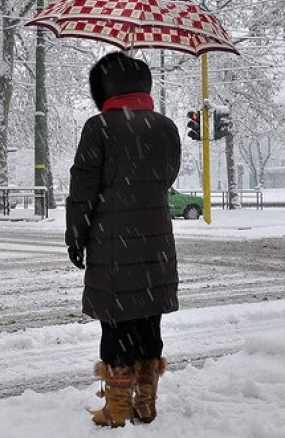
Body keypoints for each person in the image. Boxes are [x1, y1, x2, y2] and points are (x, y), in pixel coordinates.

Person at [65, 51, 181, 428]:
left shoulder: (98, 128)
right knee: (149, 323)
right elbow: (166, 178)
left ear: (104, 89)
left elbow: (83, 190)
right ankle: (145, 404)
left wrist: (76, 237)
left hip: (113, 244)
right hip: (157, 243)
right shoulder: (166, 128)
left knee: (116, 328)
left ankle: (115, 409)